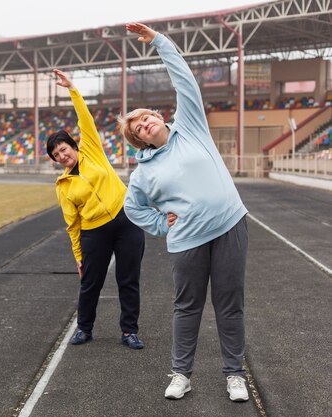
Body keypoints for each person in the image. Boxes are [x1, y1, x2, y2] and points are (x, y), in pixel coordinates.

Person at [119, 23, 250, 402]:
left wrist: (159, 42)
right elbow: (133, 208)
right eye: (138, 127)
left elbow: (184, 80)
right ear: (139, 140)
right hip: (186, 241)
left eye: (146, 116)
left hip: (229, 226)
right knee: (187, 308)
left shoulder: (190, 126)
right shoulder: (143, 172)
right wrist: (161, 223)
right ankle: (181, 374)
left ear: (159, 116)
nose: (145, 123)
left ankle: (234, 375)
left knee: (230, 304)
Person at [47, 68, 145, 349]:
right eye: (56, 156)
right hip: (93, 232)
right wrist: (78, 256)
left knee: (128, 280)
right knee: (90, 283)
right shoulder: (63, 184)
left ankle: (129, 331)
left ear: (73, 145)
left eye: (64, 149)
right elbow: (72, 223)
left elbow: (84, 118)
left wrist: (72, 89)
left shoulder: (92, 149)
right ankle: (84, 328)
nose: (62, 156)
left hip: (125, 220)